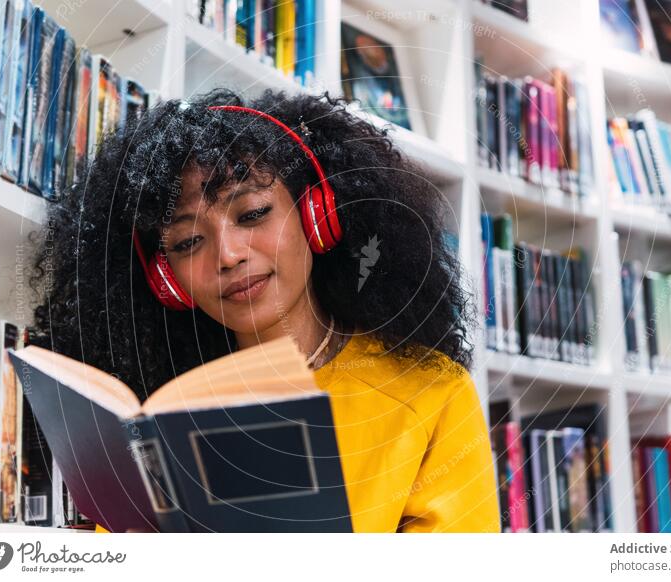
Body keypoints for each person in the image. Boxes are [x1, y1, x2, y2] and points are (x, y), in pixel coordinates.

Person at [28, 87, 500, 533]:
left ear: (319, 215)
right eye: (189, 241)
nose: (228, 255)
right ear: (165, 279)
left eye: (252, 214)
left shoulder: (430, 391)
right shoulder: (162, 418)